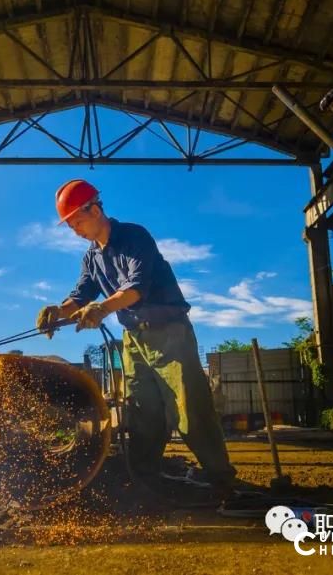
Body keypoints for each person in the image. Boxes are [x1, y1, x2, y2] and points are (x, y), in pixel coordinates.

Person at [36, 179, 237, 499]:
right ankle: (146, 482)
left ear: (96, 209)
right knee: (140, 411)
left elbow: (136, 287)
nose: (74, 230)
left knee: (189, 410)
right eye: (70, 225)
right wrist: (58, 311)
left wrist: (102, 307)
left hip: (169, 333)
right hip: (134, 340)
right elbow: (81, 294)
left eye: (77, 221)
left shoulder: (134, 237)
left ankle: (222, 480)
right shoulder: (91, 258)